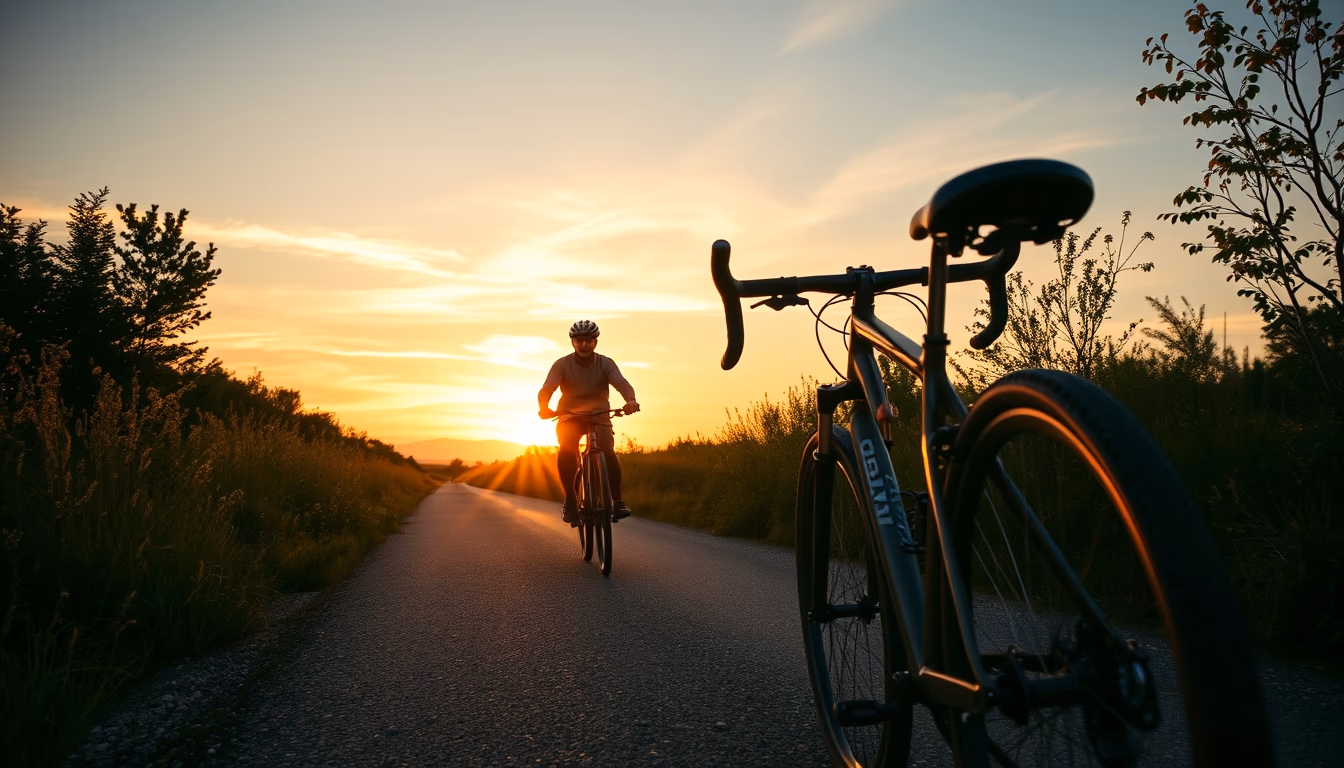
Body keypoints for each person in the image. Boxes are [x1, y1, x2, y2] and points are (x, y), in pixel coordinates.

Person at [537, 320, 640, 525]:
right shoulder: (562, 364)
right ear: (572, 342)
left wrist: (630, 400)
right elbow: (548, 388)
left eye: (589, 341)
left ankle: (617, 502)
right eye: (579, 340)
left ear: (595, 342)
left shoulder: (606, 363)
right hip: (569, 414)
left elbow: (621, 383)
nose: (584, 345)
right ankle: (571, 501)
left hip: (599, 414)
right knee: (567, 450)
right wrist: (544, 407)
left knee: (607, 451)